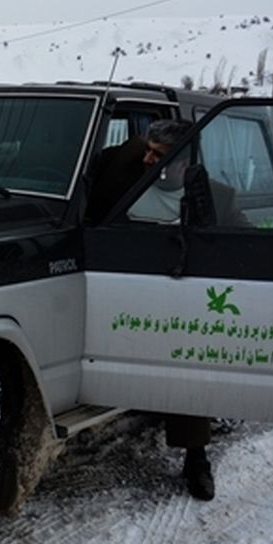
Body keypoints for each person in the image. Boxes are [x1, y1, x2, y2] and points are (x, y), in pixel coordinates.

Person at [86, 118, 221, 501]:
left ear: (182, 162)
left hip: (174, 288)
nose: (147, 160)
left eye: (158, 156)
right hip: (116, 276)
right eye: (147, 150)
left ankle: (197, 457)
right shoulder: (125, 165)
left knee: (185, 361)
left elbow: (224, 244)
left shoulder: (207, 193)